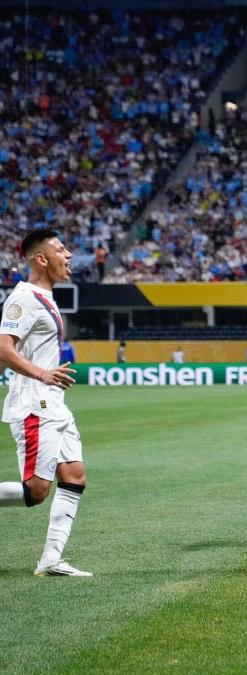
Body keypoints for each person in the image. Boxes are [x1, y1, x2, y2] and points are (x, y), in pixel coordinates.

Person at [0, 230, 89, 576]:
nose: (68, 255)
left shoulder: (45, 297)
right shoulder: (24, 298)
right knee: (36, 491)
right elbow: (3, 348)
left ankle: (51, 559)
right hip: (34, 404)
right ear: (41, 259)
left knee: (74, 476)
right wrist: (42, 374)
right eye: (61, 250)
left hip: (54, 403)